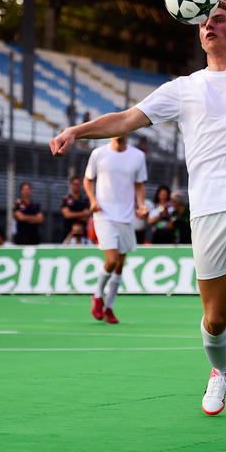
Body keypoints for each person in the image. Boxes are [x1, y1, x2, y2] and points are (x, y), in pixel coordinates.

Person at [50, 0, 226, 436]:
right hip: (210, 210)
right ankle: (220, 371)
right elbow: (127, 118)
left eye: (219, 20)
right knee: (216, 319)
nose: (210, 26)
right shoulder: (182, 88)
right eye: (203, 22)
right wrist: (77, 129)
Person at [83, 135, 148, 324]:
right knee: (111, 261)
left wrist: (141, 205)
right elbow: (88, 180)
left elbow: (139, 184)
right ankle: (97, 296)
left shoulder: (137, 156)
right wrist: (93, 200)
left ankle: (109, 307)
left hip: (126, 216)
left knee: (119, 266)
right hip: (104, 214)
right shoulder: (99, 153)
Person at [60, 176, 91, 241]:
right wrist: (83, 213)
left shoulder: (85, 200)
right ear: (70, 185)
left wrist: (73, 214)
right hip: (68, 232)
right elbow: (67, 215)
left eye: (78, 184)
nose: (76, 186)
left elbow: (87, 216)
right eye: (74, 184)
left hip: (83, 234)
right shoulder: (66, 199)